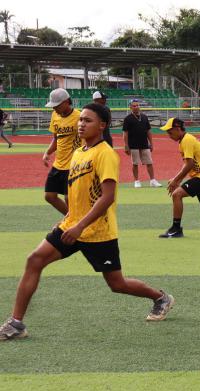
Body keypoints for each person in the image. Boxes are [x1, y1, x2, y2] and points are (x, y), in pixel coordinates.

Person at [0, 103, 175, 341]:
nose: (81, 124)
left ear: (102, 125)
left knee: (117, 284)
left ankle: (160, 298)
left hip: (98, 231)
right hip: (72, 226)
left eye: (88, 120)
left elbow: (108, 196)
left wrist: (80, 225)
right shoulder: (79, 152)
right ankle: (16, 323)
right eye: (80, 119)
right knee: (34, 260)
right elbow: (76, 193)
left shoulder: (105, 154)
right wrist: (68, 219)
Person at [43, 88, 81, 215]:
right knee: (49, 196)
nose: (54, 109)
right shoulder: (55, 116)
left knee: (68, 198)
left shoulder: (79, 117)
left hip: (73, 164)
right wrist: (47, 152)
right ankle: (72, 220)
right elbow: (56, 138)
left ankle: (73, 223)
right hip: (58, 164)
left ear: (66, 102)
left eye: (57, 105)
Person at [122, 99, 161, 188]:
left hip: (144, 143)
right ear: (130, 107)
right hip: (133, 144)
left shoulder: (144, 117)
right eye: (134, 106)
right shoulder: (127, 119)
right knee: (135, 163)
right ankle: (136, 181)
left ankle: (152, 180)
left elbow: (148, 131)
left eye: (137, 105)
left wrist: (151, 143)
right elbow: (125, 133)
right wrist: (126, 145)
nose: (136, 107)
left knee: (149, 162)